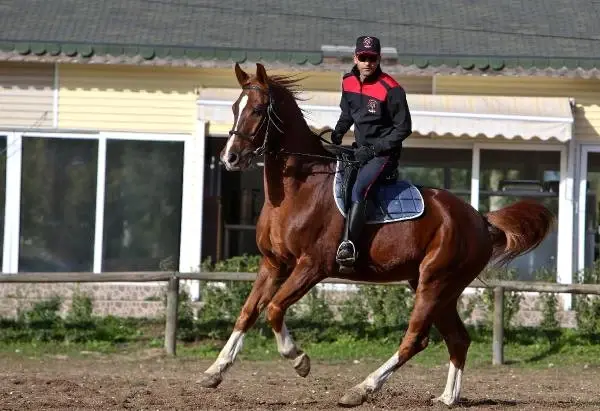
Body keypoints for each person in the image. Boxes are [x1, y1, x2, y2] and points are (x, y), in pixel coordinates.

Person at [331, 35, 413, 268]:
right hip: (359, 151)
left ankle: (349, 247)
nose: (367, 62)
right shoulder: (347, 81)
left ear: (379, 59)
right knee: (336, 184)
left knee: (359, 188)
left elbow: (403, 128)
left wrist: (376, 149)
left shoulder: (393, 89)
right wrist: (338, 131)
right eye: (363, 57)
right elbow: (347, 114)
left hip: (383, 155)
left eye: (372, 58)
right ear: (355, 57)